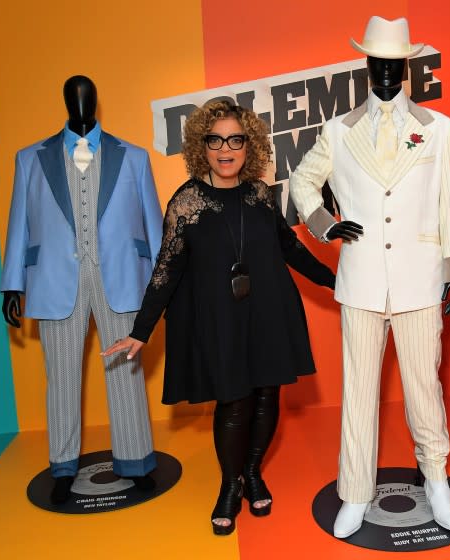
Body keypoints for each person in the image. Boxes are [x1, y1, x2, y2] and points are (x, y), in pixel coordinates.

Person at [103, 101, 335, 535]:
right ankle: (230, 485)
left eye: (235, 139)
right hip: (220, 321)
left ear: (249, 145)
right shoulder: (187, 201)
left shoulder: (261, 195)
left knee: (268, 398)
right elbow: (166, 270)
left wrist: (334, 281)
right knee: (235, 402)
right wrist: (141, 330)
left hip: (268, 311)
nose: (225, 149)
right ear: (201, 147)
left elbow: (289, 248)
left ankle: (252, 471)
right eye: (215, 140)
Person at [289, 16, 450, 538]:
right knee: (359, 392)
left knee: (424, 389)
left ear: (406, 66)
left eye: (395, 63)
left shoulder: (440, 129)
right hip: (362, 281)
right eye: (378, 62)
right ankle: (355, 492)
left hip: (420, 280)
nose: (387, 71)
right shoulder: (337, 131)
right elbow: (302, 181)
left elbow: (449, 201)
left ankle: (436, 481)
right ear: (366, 65)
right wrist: (323, 222)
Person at [0, 75, 161, 504]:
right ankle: (63, 464)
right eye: (74, 95)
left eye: (87, 95)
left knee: (125, 371)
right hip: (55, 278)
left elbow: (153, 223)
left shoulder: (135, 157)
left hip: (123, 276)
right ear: (66, 101)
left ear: (96, 101)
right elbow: (19, 224)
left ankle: (136, 459)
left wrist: (166, 283)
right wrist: (12, 283)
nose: (81, 101)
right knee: (61, 378)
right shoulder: (30, 158)